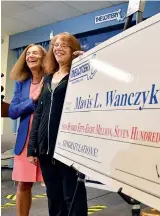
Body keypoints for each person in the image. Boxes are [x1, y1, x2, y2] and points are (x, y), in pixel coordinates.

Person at [27, 32, 87, 216]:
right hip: (46, 150)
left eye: (64, 45)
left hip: (68, 149)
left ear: (73, 50)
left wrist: (86, 62)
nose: (59, 48)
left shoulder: (79, 75)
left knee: (73, 198)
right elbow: (39, 113)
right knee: (54, 197)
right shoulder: (47, 78)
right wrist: (32, 147)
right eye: (56, 45)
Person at [8, 44, 46, 216]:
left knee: (54, 185)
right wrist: (32, 100)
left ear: (44, 57)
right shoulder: (21, 84)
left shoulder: (52, 78)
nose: (31, 56)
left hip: (46, 139)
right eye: (28, 53)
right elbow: (13, 111)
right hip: (25, 141)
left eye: (35, 53)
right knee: (23, 184)